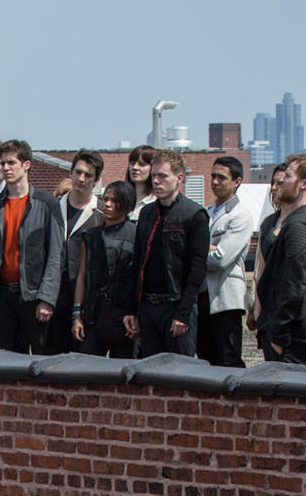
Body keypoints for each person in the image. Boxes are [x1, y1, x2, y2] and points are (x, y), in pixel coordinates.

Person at [0, 139, 64, 353]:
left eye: (11, 163)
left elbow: (55, 255)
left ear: (26, 165)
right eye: (2, 163)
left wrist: (47, 299)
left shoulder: (46, 204)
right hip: (1, 295)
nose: (5, 168)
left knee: (43, 357)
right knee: (3, 359)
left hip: (33, 296)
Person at [123, 149, 209, 357]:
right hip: (148, 305)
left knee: (180, 372)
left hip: (175, 304)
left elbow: (197, 269)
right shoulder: (147, 213)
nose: (156, 181)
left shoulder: (194, 215)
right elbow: (137, 264)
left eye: (162, 176)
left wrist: (183, 313)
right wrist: (132, 309)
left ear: (179, 178)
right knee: (151, 372)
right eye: (153, 176)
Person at [196, 156, 254, 368]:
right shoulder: (206, 212)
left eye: (221, 177)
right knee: (206, 360)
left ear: (237, 181)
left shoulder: (240, 216)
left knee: (228, 360)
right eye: (213, 176)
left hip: (226, 298)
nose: (215, 182)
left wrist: (197, 252)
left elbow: (221, 259)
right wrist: (208, 249)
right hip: (203, 297)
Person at [71, 180, 138, 358]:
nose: (107, 204)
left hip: (124, 316)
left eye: (114, 200)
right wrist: (77, 315)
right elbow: (82, 276)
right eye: (105, 199)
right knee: (87, 370)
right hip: (93, 315)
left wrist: (137, 315)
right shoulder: (90, 236)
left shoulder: (137, 235)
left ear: (126, 204)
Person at [47, 149, 104, 353]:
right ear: (70, 172)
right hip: (53, 297)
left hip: (85, 301)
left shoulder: (102, 213)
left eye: (88, 175)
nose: (81, 178)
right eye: (78, 172)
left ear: (96, 180)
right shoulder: (51, 207)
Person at [258, 154, 306, 364]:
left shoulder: (297, 227)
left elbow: (294, 285)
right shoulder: (283, 223)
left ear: (303, 184)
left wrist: (278, 334)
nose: (281, 181)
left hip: (293, 339)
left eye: (288, 176)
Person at [247, 163, 289, 354]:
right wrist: (255, 307)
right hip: (267, 314)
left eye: (281, 183)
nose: (274, 188)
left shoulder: (299, 223)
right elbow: (259, 269)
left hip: (290, 312)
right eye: (273, 183)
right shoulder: (269, 222)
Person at [126, 145, 155, 221]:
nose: (135, 168)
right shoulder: (123, 201)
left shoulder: (156, 203)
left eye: (142, 164)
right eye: (132, 163)